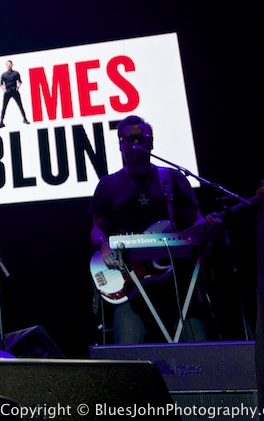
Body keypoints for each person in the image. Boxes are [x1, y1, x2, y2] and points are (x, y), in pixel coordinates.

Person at [89, 115, 218, 344]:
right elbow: (97, 229)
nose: (135, 143)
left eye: (141, 138)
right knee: (129, 360)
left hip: (177, 282)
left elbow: (195, 221)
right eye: (128, 139)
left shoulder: (173, 178)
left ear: (152, 142)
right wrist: (103, 244)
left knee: (197, 353)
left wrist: (208, 228)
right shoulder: (108, 184)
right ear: (120, 144)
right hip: (130, 282)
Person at [0, 60, 29, 124]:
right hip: (7, 92)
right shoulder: (4, 75)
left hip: (14, 91)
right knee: (4, 106)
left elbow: (20, 81)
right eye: (8, 64)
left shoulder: (16, 73)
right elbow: (1, 84)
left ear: (12, 65)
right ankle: (1, 121)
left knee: (20, 105)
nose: (9, 66)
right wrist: (4, 89)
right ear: (6, 66)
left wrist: (18, 87)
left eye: (10, 64)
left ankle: (25, 119)